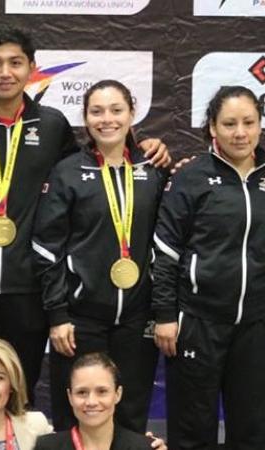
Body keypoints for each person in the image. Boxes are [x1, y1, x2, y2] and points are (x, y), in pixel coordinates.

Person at [0, 25, 170, 402]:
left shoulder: (52, 124)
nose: (5, 72)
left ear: (32, 68)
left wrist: (145, 148)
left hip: (29, 286)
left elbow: (92, 168)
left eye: (15, 63)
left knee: (18, 393)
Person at [152, 85, 265, 449]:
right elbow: (165, 251)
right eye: (229, 123)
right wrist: (166, 315)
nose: (240, 132)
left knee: (253, 429)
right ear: (213, 127)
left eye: (248, 122)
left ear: (261, 125)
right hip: (198, 322)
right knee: (192, 428)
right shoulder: (191, 176)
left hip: (257, 324)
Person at [33, 80, 165, 432]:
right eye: (97, 111)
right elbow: (47, 249)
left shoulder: (153, 168)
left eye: (116, 110)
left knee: (131, 415)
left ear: (132, 113)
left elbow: (167, 243)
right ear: (86, 118)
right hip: (80, 319)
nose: (107, 119)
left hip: (138, 318)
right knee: (76, 414)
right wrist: (58, 314)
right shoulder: (68, 171)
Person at [34, 353, 156, 450]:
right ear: (70, 397)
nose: (91, 402)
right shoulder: (46, 447)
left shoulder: (143, 447)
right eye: (82, 392)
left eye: (102, 391)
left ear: (117, 394)